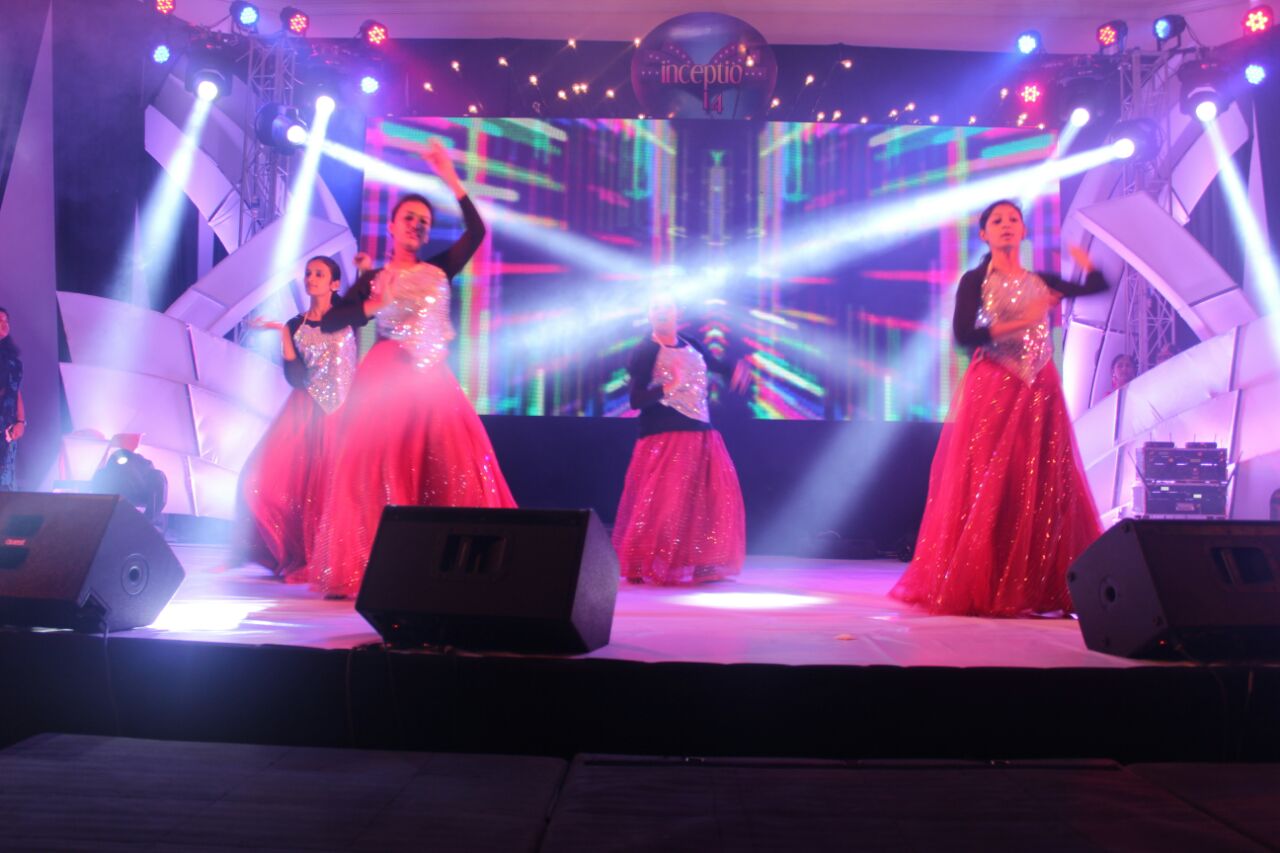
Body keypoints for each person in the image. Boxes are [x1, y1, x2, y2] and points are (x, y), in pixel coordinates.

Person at [310, 140, 515, 599]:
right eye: (409, 218)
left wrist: (448, 176)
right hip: (386, 379)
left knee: (448, 467)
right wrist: (371, 303)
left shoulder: (440, 268)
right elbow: (333, 320)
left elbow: (477, 232)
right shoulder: (374, 278)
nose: (417, 225)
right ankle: (371, 564)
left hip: (432, 383)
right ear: (391, 226)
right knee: (374, 469)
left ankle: (446, 567)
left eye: (424, 221)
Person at [890, 200, 1107, 617]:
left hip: (1040, 387)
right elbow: (963, 335)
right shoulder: (976, 280)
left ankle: (1041, 586)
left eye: (1013, 220)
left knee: (1043, 481)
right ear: (984, 234)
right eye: (997, 220)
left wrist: (1085, 262)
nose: (1006, 225)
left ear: (1023, 231)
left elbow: (1096, 287)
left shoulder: (1040, 280)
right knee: (993, 481)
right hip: (995, 386)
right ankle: (987, 583)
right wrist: (1023, 319)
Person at [612, 293, 751, 585]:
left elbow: (713, 365)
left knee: (708, 502)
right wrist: (670, 386)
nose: (661, 312)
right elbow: (636, 399)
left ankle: (703, 563)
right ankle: (648, 563)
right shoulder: (645, 350)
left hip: (701, 433)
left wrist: (734, 371)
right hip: (665, 436)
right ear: (649, 314)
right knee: (666, 505)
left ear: (678, 313)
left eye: (666, 307)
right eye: (655, 307)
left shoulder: (691, 344)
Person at [236, 257, 357, 580]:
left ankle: (330, 555)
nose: (311, 278)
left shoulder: (346, 318)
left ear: (334, 283)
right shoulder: (295, 325)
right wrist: (281, 332)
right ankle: (294, 552)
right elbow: (296, 377)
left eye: (320, 274)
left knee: (332, 487)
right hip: (304, 410)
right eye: (308, 273)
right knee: (261, 477)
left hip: (341, 413)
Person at [0, 308, 24, 491]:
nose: (4, 324)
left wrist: (21, 421)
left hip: (8, 423)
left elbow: (16, 391)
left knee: (6, 477)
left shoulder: (13, 359)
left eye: (6, 320)